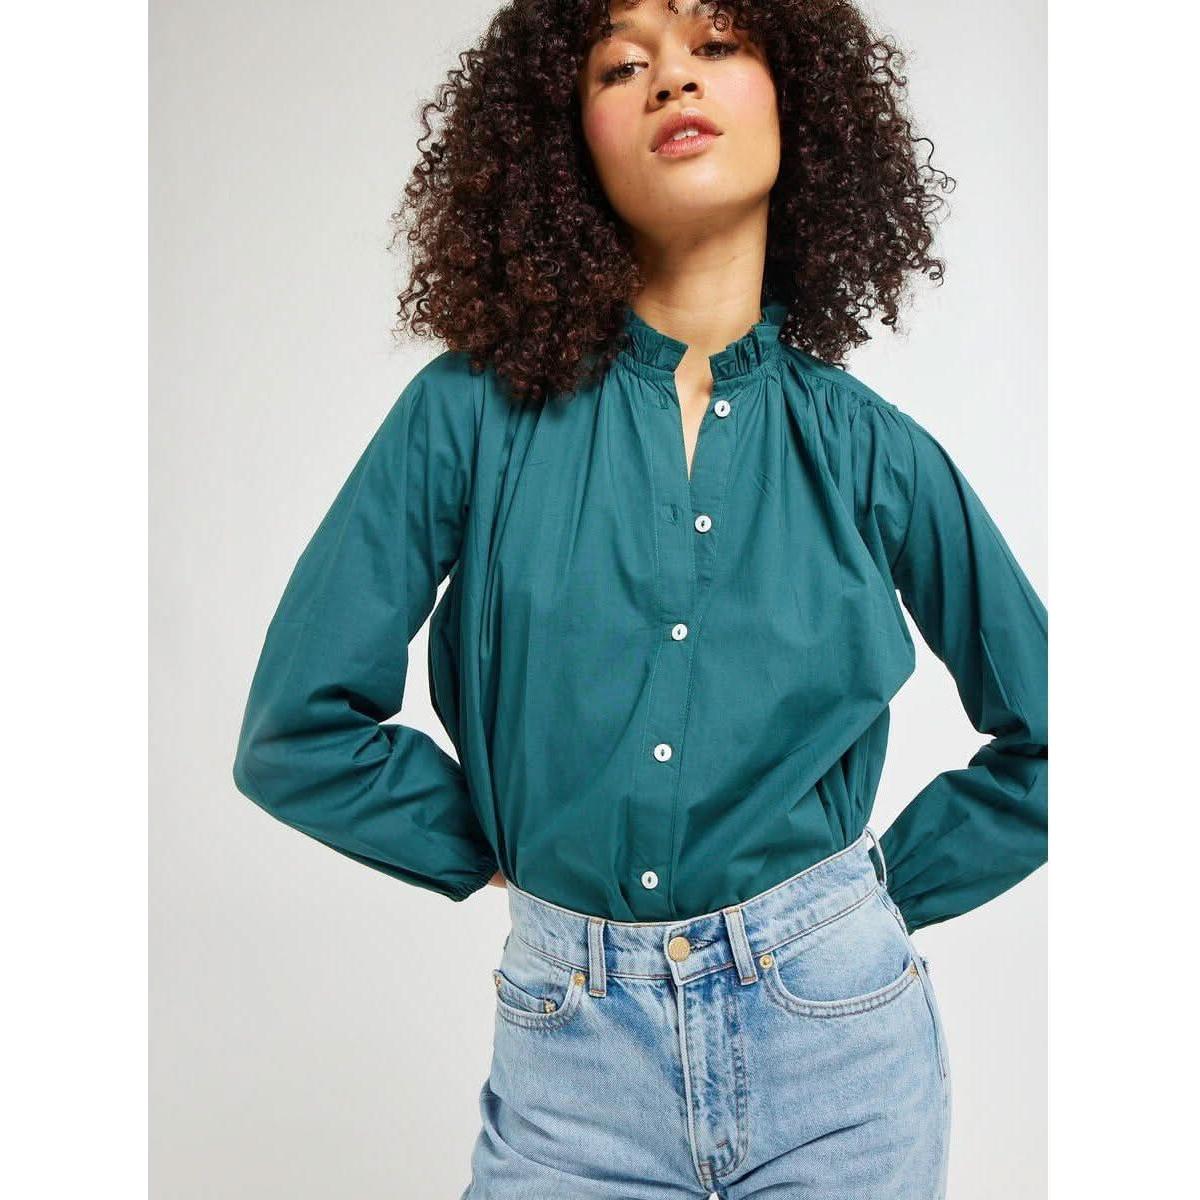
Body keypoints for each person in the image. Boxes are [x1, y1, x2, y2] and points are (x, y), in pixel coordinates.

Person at [232, 2, 1047, 1196]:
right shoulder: (465, 418)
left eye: (716, 46)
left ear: (798, 106)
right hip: (572, 1075)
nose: (674, 80)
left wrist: (864, 905)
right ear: (568, 147)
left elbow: (1064, 741)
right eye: (624, 65)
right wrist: (508, 842)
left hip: (844, 1059)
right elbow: (295, 732)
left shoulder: (875, 453)